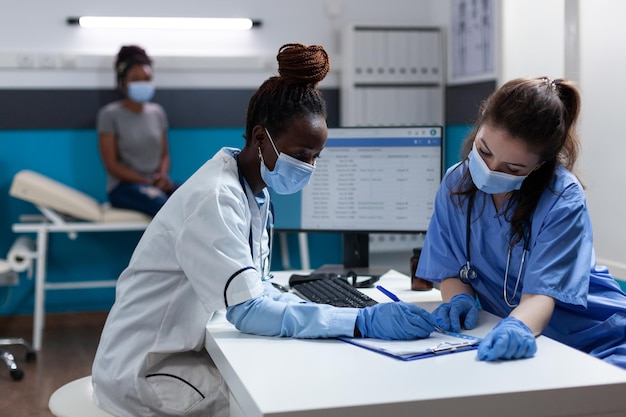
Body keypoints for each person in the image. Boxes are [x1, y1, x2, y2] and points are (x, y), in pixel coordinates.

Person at [92, 43, 435, 417]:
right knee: (284, 397)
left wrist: (327, 312)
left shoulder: (251, 191)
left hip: (180, 353)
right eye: (301, 154)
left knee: (298, 373)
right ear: (260, 138)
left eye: (315, 157)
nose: (309, 166)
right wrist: (359, 321)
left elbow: (258, 288)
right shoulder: (215, 198)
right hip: (147, 371)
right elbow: (249, 310)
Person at [417, 76, 626, 368]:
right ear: (479, 127)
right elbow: (450, 270)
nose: (490, 170)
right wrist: (458, 301)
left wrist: (516, 328)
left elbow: (541, 297)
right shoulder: (456, 183)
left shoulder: (561, 196)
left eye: (512, 167)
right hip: (538, 343)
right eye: (485, 151)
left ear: (539, 165)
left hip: (599, 340)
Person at [97, 45, 178, 217]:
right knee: (164, 207)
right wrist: (147, 181)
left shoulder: (157, 112)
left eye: (147, 78)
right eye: (135, 78)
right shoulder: (109, 114)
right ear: (123, 82)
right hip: (124, 187)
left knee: (195, 198)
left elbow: (164, 155)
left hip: (157, 182)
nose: (143, 83)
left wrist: (162, 176)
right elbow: (112, 166)